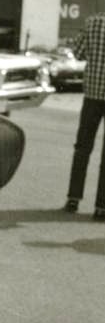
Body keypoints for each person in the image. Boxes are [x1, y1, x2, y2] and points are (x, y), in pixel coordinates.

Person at [64, 13, 105, 222]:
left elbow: (78, 53)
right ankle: (101, 207)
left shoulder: (92, 23)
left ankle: (73, 198)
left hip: (92, 95)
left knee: (82, 148)